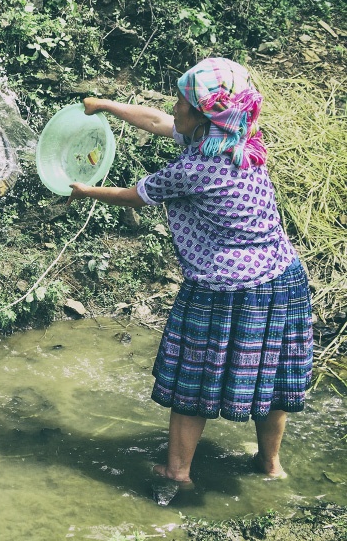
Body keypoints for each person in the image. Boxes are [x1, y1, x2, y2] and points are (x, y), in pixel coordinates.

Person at [67, 57, 314, 504]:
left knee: (193, 378)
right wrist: (105, 105)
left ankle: (177, 472)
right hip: (283, 277)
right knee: (274, 378)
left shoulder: (196, 167)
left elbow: (135, 196)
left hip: (225, 286)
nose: (174, 107)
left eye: (181, 101)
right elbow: (158, 122)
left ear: (201, 115)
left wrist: (84, 191)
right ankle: (270, 465)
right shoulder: (240, 136)